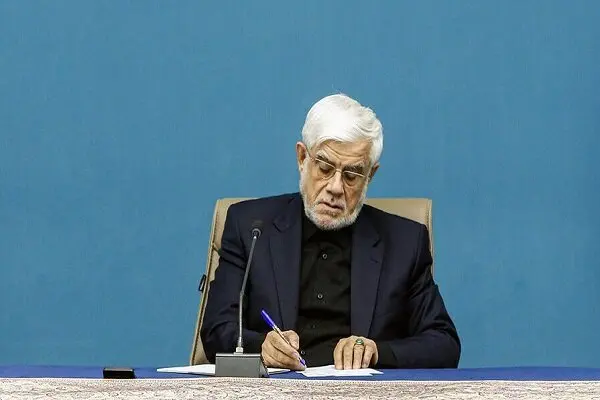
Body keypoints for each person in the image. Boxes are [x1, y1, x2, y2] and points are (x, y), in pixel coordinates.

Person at [201, 94, 460, 370]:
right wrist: (262, 347)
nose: (336, 187)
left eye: (351, 175)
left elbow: (444, 343)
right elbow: (216, 329)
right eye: (325, 168)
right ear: (302, 158)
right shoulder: (250, 228)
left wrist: (375, 352)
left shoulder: (405, 243)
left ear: (370, 175)